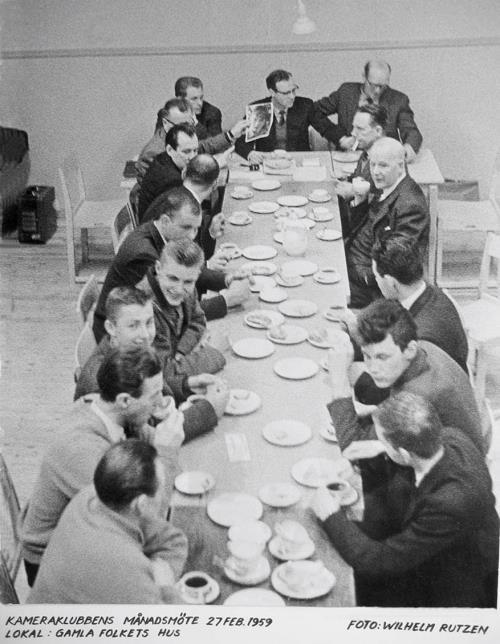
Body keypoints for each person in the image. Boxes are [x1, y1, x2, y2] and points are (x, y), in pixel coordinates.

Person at [312, 392, 499, 607]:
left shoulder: (448, 504)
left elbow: (379, 561)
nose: (378, 442)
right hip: (438, 543)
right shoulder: (452, 437)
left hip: (450, 583)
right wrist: (383, 448)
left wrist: (330, 515)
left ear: (405, 453)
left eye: (382, 439)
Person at [20, 345, 185, 586]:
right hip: (54, 563)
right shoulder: (82, 450)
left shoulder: (111, 410)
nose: (161, 403)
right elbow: (142, 523)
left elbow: (148, 446)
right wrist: (167, 453)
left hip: (91, 536)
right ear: (125, 400)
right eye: (154, 396)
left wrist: (163, 437)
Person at [28, 440, 188, 604]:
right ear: (141, 503)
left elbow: (173, 540)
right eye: (162, 488)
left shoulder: (93, 496)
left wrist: (157, 575)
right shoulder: (124, 569)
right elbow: (169, 625)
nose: (163, 495)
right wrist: (165, 589)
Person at [325, 299, 486, 456]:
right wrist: (377, 410)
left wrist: (338, 380)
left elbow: (353, 449)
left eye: (382, 357)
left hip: (450, 474)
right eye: (367, 356)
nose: (372, 368)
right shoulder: (424, 346)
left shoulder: (416, 397)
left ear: (409, 350)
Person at [92, 186, 249, 343]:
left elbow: (182, 274)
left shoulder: (157, 233)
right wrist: (226, 300)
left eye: (196, 229)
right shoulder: (143, 255)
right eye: (186, 227)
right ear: (166, 221)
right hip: (121, 341)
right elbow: (172, 312)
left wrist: (225, 279)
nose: (192, 236)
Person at [76, 287, 229, 434]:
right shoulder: (102, 382)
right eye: (133, 325)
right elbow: (145, 437)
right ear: (111, 328)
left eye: (149, 322)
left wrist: (187, 385)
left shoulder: (128, 350)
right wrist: (209, 409)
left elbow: (147, 389)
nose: (145, 335)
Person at [345, 137, 429, 308]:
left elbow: (396, 264)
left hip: (368, 283)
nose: (375, 171)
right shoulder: (389, 187)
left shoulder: (410, 204)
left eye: (383, 165)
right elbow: (363, 229)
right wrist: (360, 202)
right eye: (372, 164)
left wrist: (364, 276)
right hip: (351, 261)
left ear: (400, 166)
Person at [372, 237, 469, 372]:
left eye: (376, 276)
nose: (376, 280)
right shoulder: (427, 290)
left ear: (390, 282)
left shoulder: (420, 339)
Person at [138, 238, 226, 381]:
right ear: (158, 268)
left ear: (197, 275)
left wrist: (180, 352)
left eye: (188, 282)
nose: (179, 289)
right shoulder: (143, 310)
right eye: (172, 278)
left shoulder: (187, 287)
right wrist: (213, 351)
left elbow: (197, 321)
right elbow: (162, 373)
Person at [313, 60, 422, 162]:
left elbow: (412, 132)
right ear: (364, 77)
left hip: (383, 160)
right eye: (373, 85)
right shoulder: (346, 92)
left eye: (382, 86)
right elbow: (314, 112)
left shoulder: (398, 100)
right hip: (348, 158)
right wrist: (340, 137)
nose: (377, 91)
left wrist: (406, 150)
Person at [136, 97, 246, 181]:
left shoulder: (178, 136)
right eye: (182, 125)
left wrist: (231, 134)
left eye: (191, 124)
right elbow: (177, 185)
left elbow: (202, 146)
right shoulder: (153, 153)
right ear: (165, 123)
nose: (188, 130)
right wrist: (212, 166)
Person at [235, 69, 323, 163]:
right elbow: (241, 143)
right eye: (286, 93)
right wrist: (250, 154)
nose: (292, 96)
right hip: (269, 163)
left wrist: (340, 138)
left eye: (293, 90)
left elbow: (327, 128)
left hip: (298, 162)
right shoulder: (260, 110)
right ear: (272, 92)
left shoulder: (304, 105)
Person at [334, 103, 387, 234]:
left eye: (360, 129)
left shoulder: (387, 160)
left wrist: (355, 192)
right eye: (353, 127)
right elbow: (362, 179)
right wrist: (347, 179)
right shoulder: (367, 151)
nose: (353, 133)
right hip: (357, 225)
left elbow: (388, 205)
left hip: (370, 237)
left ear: (378, 131)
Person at [138, 123, 198, 219]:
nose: (192, 157)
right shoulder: (171, 180)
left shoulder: (163, 157)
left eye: (195, 151)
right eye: (186, 152)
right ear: (170, 150)